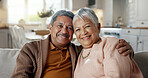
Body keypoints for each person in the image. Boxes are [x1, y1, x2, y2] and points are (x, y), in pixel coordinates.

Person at [11, 10, 134, 78]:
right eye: (60, 26)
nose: (64, 31)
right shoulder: (31, 49)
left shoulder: (78, 51)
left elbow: (104, 49)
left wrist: (127, 49)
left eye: (70, 27)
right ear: (50, 27)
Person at [73, 7, 143, 78]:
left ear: (98, 27)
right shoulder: (80, 52)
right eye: (78, 29)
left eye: (87, 26)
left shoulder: (112, 44)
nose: (83, 32)